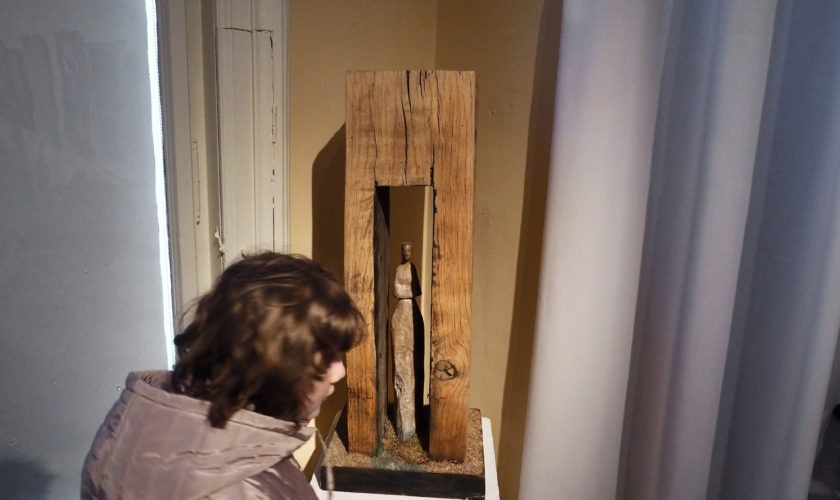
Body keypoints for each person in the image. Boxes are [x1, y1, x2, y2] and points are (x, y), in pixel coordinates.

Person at [81, 252, 364, 499]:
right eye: (328, 356)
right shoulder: (234, 488)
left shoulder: (137, 424)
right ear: (275, 366)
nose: (339, 372)